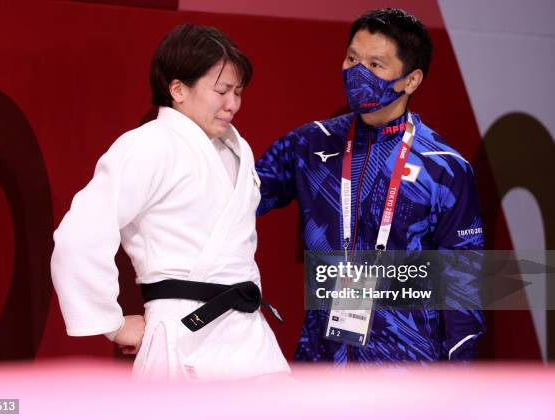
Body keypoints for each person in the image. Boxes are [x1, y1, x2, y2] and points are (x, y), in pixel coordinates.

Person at [51, 24, 289, 380]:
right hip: (183, 335)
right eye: (222, 90)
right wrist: (112, 324)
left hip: (250, 339)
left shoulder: (237, 150)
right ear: (177, 88)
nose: (233, 104)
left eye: (238, 92)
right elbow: (79, 236)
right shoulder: (148, 145)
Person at [256, 8, 486, 364]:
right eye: (352, 58)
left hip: (407, 374)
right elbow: (235, 200)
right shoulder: (308, 145)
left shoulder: (444, 168)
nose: (357, 72)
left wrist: (454, 379)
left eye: (376, 65)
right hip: (320, 363)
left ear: (411, 80)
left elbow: (464, 287)